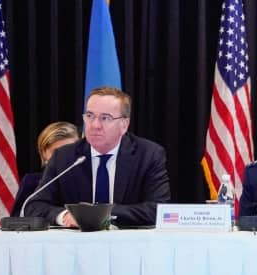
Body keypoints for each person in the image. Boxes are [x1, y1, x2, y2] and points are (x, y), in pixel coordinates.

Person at [25, 87, 171, 227]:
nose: (95, 125)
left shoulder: (148, 154)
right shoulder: (64, 157)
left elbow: (158, 209)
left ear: (124, 124)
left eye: (105, 118)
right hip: (75, 246)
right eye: (89, 116)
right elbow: (34, 206)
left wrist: (100, 214)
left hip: (128, 246)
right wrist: (65, 216)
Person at [10, 121, 80, 217]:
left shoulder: (91, 179)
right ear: (43, 153)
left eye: (69, 150)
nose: (64, 157)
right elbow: (18, 218)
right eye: (57, 153)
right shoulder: (33, 182)